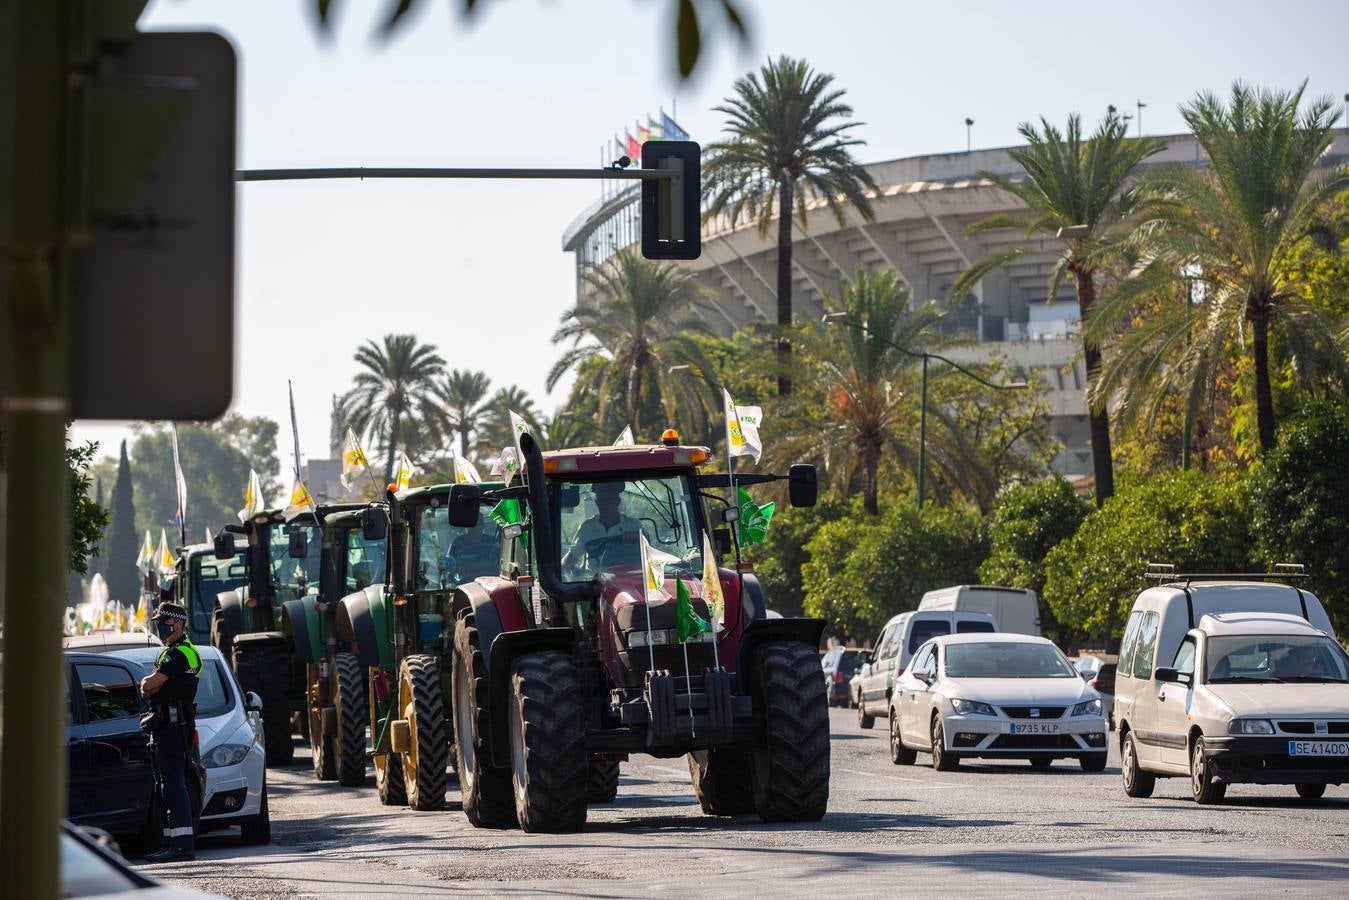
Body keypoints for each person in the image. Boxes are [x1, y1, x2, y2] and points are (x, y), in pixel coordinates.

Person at [139, 602, 202, 862]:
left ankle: (182, 846)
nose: (159, 627)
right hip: (165, 727)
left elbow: (149, 684)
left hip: (173, 728)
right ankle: (174, 843)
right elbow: (148, 688)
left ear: (177, 623)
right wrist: (150, 685)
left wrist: (151, 684)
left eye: (163, 622)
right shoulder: (168, 653)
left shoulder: (181, 654)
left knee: (173, 786)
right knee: (167, 786)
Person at [563, 481, 640, 572]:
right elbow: (571, 557)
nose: (606, 504)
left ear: (618, 501)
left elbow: (647, 550)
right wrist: (567, 570)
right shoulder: (587, 528)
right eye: (602, 500)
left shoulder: (633, 525)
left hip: (626, 578)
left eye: (609, 500)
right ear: (597, 503)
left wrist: (637, 537)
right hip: (594, 581)